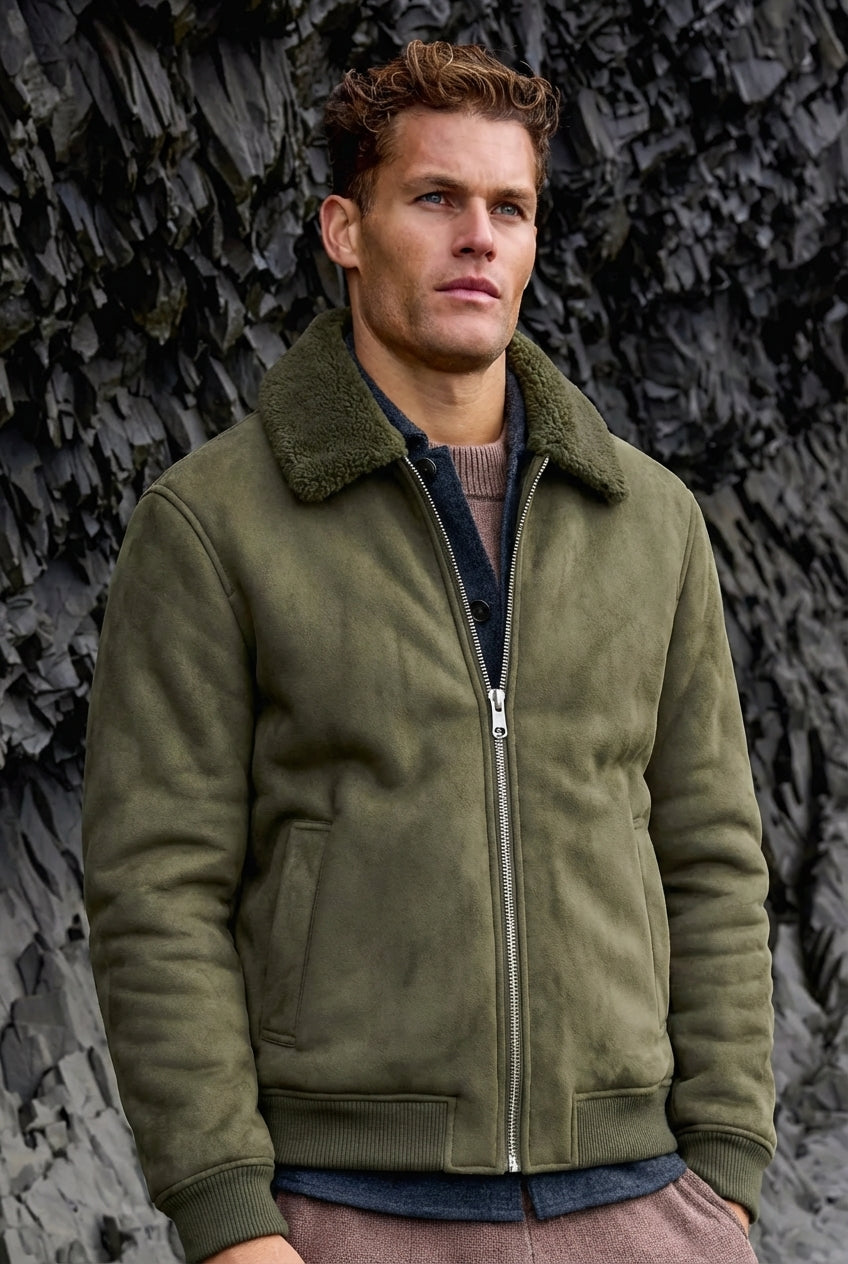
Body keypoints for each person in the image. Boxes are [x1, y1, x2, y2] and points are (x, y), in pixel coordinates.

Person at [83, 39, 775, 1264]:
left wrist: (720, 1173)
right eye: (435, 198)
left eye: (508, 207)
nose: (477, 238)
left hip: (641, 1208)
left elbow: (710, 854)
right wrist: (230, 1216)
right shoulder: (211, 524)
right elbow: (157, 889)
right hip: (346, 1212)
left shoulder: (650, 521)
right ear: (344, 230)